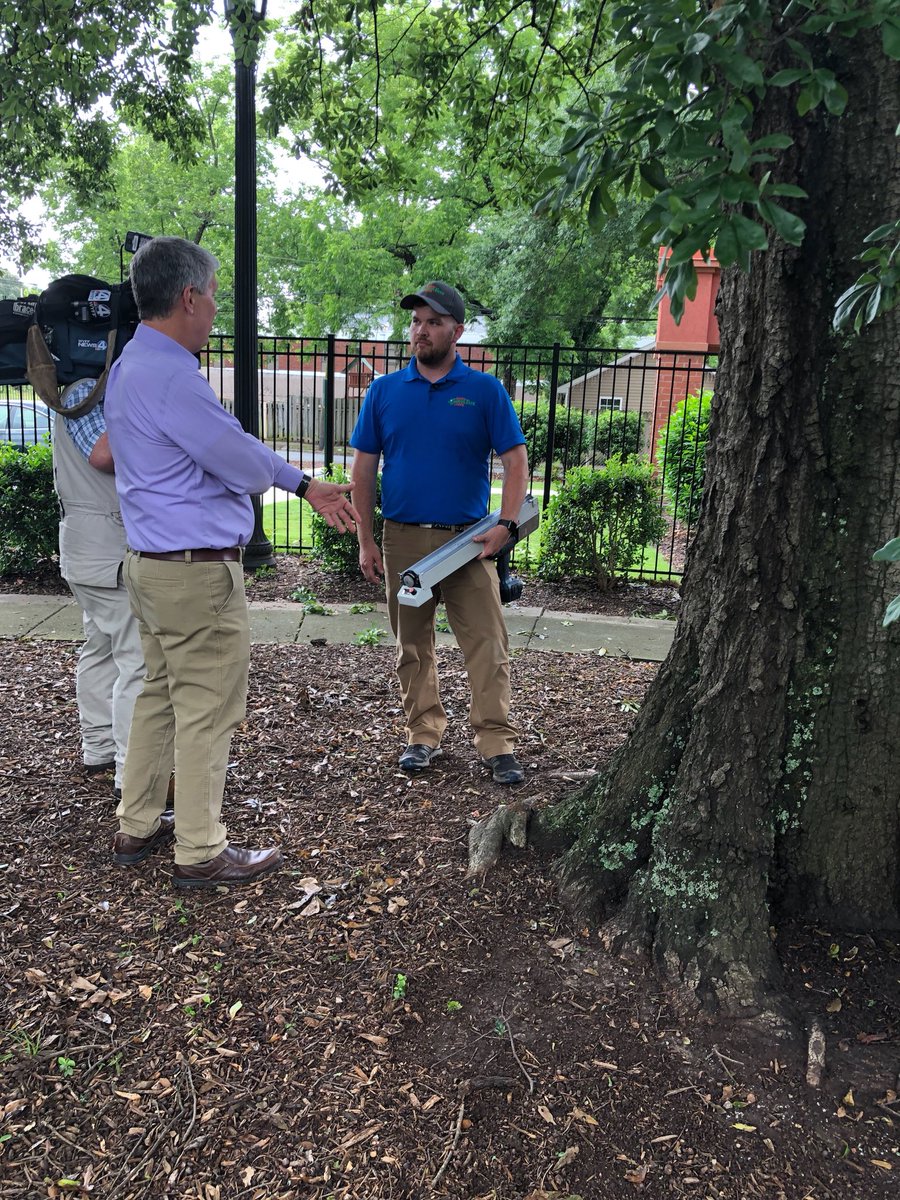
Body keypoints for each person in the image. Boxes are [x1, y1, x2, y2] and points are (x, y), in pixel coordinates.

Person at [105, 236, 359, 888]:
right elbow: (237, 456)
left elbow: (225, 447)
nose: (216, 308)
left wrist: (297, 481)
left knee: (160, 697)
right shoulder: (171, 377)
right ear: (188, 297)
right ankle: (200, 849)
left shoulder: (133, 364)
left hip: (151, 568)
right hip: (194, 575)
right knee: (206, 708)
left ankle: (137, 823)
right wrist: (304, 485)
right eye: (213, 294)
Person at [350, 281, 529, 785]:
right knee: (412, 645)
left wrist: (508, 527)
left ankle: (495, 742)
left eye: (432, 321)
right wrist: (366, 539)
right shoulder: (384, 392)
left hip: (469, 543)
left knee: (487, 643)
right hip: (403, 539)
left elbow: (516, 463)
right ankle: (422, 735)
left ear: (457, 330)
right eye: (415, 322)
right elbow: (363, 470)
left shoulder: (485, 392)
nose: (420, 331)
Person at [52, 378, 145, 799]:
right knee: (138, 660)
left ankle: (100, 748)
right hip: (106, 545)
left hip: (88, 544)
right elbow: (103, 453)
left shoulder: (77, 387)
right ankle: (134, 775)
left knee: (101, 645)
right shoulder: (86, 389)